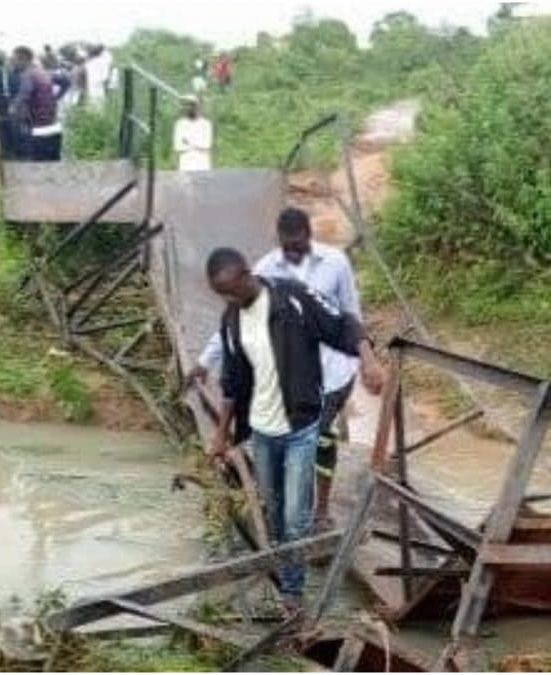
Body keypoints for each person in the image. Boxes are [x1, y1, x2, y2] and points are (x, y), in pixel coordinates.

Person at [204, 247, 383, 617]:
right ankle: (285, 568)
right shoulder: (232, 320)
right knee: (274, 509)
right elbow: (232, 383)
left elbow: (342, 324)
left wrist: (368, 360)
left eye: (233, 289)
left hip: (301, 425)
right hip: (263, 431)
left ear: (246, 273)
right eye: (223, 293)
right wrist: (221, 435)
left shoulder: (293, 298)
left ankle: (292, 594)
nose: (231, 298)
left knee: (296, 516)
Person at [190, 208, 363, 530]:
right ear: (278, 240)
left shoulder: (335, 263)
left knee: (322, 439)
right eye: (288, 245)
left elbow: (349, 313)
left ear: (308, 235)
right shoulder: (265, 269)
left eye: (299, 244)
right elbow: (234, 321)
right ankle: (291, 514)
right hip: (290, 373)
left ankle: (320, 511)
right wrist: (204, 361)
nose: (293, 251)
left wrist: (366, 359)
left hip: (333, 370)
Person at [9, 46, 62, 160]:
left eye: (14, 60)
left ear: (23, 59)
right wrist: (56, 98)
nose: (12, 63)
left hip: (39, 130)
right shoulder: (44, 72)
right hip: (55, 126)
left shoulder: (27, 75)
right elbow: (66, 81)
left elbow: (23, 97)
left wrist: (13, 111)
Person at [173, 95, 212, 171]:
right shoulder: (180, 124)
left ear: (197, 107)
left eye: (191, 105)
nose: (189, 108)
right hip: (186, 163)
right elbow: (178, 147)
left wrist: (188, 142)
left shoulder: (205, 124)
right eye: (186, 105)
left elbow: (206, 145)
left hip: (202, 163)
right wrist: (196, 144)